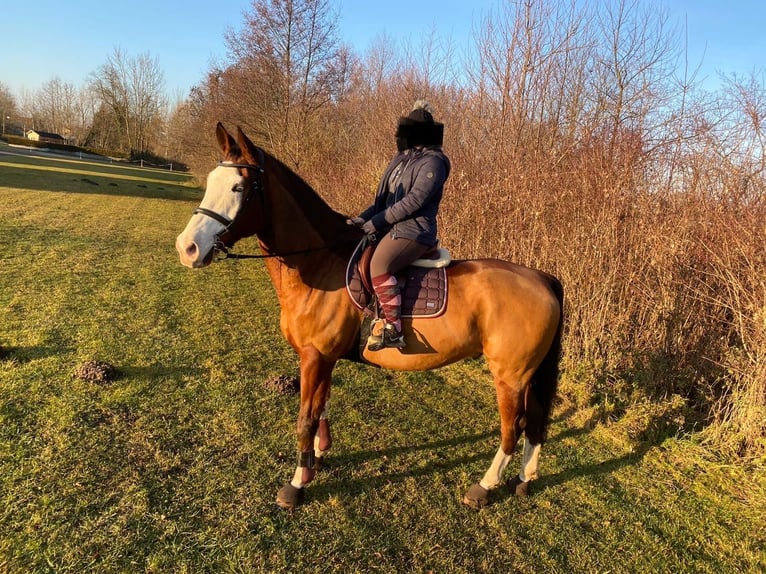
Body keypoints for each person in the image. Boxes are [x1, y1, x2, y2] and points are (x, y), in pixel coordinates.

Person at [348, 100, 451, 351]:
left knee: (379, 266)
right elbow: (381, 201)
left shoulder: (435, 162)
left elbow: (414, 201)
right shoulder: (400, 160)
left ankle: (393, 330)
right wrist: (362, 219)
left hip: (415, 230)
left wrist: (377, 222)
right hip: (391, 226)